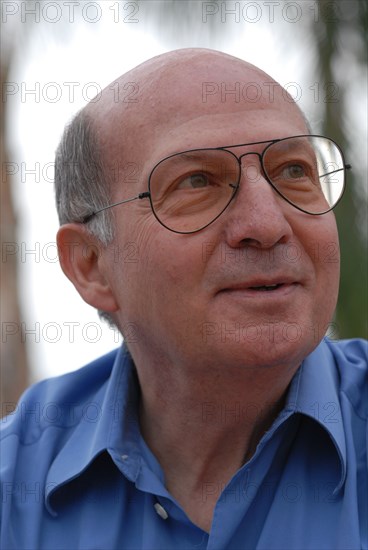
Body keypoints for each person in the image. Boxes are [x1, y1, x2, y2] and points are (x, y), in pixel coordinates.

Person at [1, 48, 367, 550]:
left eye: (294, 172)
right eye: (197, 182)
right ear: (91, 265)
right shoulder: (13, 494)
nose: (267, 224)